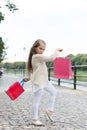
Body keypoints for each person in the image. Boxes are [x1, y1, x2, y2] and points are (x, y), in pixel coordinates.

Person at [24, 39, 63, 126]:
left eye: (43, 49)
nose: (42, 51)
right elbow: (51, 58)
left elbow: (36, 70)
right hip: (39, 82)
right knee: (37, 100)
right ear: (35, 48)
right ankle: (34, 119)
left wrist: (29, 77)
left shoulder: (38, 57)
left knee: (53, 92)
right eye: (40, 48)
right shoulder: (36, 56)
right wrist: (56, 50)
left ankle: (50, 110)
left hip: (44, 81)